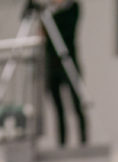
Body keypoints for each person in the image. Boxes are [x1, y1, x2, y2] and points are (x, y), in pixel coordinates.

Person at [43, 0, 87, 147]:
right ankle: (61, 144)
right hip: (52, 64)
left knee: (76, 104)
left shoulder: (72, 8)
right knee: (57, 108)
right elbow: (43, 35)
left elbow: (66, 32)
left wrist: (51, 15)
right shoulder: (47, 12)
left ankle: (83, 142)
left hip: (68, 61)